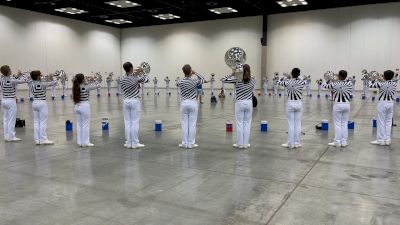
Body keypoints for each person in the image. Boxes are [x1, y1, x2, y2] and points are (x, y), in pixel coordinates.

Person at [222, 64, 255, 149]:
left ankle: (239, 144)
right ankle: (245, 143)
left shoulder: (237, 80)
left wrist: (233, 73)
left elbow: (223, 79)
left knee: (240, 124)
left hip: (239, 103)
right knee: (247, 124)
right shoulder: (253, 80)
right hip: (249, 103)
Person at [120, 62, 149, 149]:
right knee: (135, 122)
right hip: (134, 101)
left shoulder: (122, 78)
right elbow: (147, 80)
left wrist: (136, 73)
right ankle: (135, 142)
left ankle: (128, 142)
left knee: (127, 123)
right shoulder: (135, 77)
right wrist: (143, 71)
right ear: (131, 68)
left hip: (126, 101)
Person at [176, 64, 204, 149]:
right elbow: (202, 79)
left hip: (184, 103)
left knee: (184, 124)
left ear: (183, 72)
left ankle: (184, 143)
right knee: (192, 124)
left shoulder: (180, 82)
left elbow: (176, 84)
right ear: (191, 71)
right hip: (193, 103)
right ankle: (191, 143)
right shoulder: (194, 81)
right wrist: (195, 73)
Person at [323, 70, 353, 147]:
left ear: (339, 76)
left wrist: (329, 79)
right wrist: (338, 77)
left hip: (338, 105)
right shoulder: (350, 83)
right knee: (344, 123)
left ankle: (337, 141)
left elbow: (325, 86)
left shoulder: (335, 83)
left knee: (337, 124)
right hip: (347, 104)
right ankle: (344, 141)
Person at [278, 68, 306, 149]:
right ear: (299, 74)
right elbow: (303, 80)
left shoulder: (288, 82)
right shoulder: (301, 82)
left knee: (291, 124)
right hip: (299, 103)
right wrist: (295, 76)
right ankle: (297, 143)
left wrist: (286, 77)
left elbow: (279, 82)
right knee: (298, 124)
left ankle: (290, 143)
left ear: (292, 74)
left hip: (290, 103)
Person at [369, 70, 397, 146]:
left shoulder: (380, 83)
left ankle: (380, 139)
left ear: (384, 76)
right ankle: (387, 139)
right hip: (391, 103)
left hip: (382, 103)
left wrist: (375, 79)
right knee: (388, 122)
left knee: (381, 121)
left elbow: (371, 86)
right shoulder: (394, 83)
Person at [72, 73, 100, 147]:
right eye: (84, 78)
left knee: (79, 124)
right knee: (85, 125)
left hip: (77, 106)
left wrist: (88, 82)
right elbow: (97, 86)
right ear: (82, 79)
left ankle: (80, 142)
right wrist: (95, 80)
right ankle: (86, 142)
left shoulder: (75, 87)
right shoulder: (85, 87)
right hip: (84, 106)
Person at [1, 65, 28, 142]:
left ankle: (6, 136)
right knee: (11, 119)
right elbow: (24, 80)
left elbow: (14, 78)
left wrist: (18, 75)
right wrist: (22, 73)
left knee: (5, 119)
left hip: (4, 100)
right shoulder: (12, 80)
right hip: (11, 101)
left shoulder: (1, 79)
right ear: (9, 71)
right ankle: (11, 136)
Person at [30, 71, 57, 145]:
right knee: (43, 122)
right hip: (42, 103)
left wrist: (46, 78)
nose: (41, 76)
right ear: (38, 77)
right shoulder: (42, 84)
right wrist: (52, 77)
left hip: (34, 102)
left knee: (36, 122)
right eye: (40, 75)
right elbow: (54, 82)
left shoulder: (31, 83)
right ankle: (43, 139)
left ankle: (37, 140)